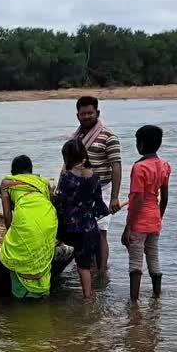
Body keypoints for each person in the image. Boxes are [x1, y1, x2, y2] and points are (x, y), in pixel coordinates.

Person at [64, 96, 122, 273]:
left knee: (101, 231)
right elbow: (68, 163)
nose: (87, 116)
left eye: (90, 113)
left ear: (97, 113)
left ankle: (102, 271)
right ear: (78, 116)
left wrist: (114, 197)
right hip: (78, 191)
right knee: (81, 230)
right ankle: (86, 267)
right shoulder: (76, 137)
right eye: (83, 114)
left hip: (102, 189)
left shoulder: (109, 136)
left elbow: (116, 166)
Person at [121, 125, 172, 302]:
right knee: (153, 256)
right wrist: (159, 217)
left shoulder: (139, 167)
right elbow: (164, 197)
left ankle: (133, 302)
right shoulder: (164, 166)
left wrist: (128, 227)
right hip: (154, 219)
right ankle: (156, 296)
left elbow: (137, 199)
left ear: (141, 144)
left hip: (139, 221)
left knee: (135, 263)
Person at [54, 139, 109, 299]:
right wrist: (107, 210)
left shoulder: (67, 178)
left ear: (68, 157)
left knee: (52, 236)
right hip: (90, 228)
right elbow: (100, 206)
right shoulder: (94, 178)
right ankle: (87, 297)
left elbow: (60, 203)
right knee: (84, 266)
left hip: (71, 228)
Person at [0, 155, 58, 299]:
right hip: (49, 221)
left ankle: (21, 299)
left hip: (26, 221)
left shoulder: (7, 183)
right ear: (31, 170)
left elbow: (7, 216)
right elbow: (52, 203)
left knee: (13, 251)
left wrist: (10, 235)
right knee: (41, 247)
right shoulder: (43, 182)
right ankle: (42, 292)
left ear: (13, 172)